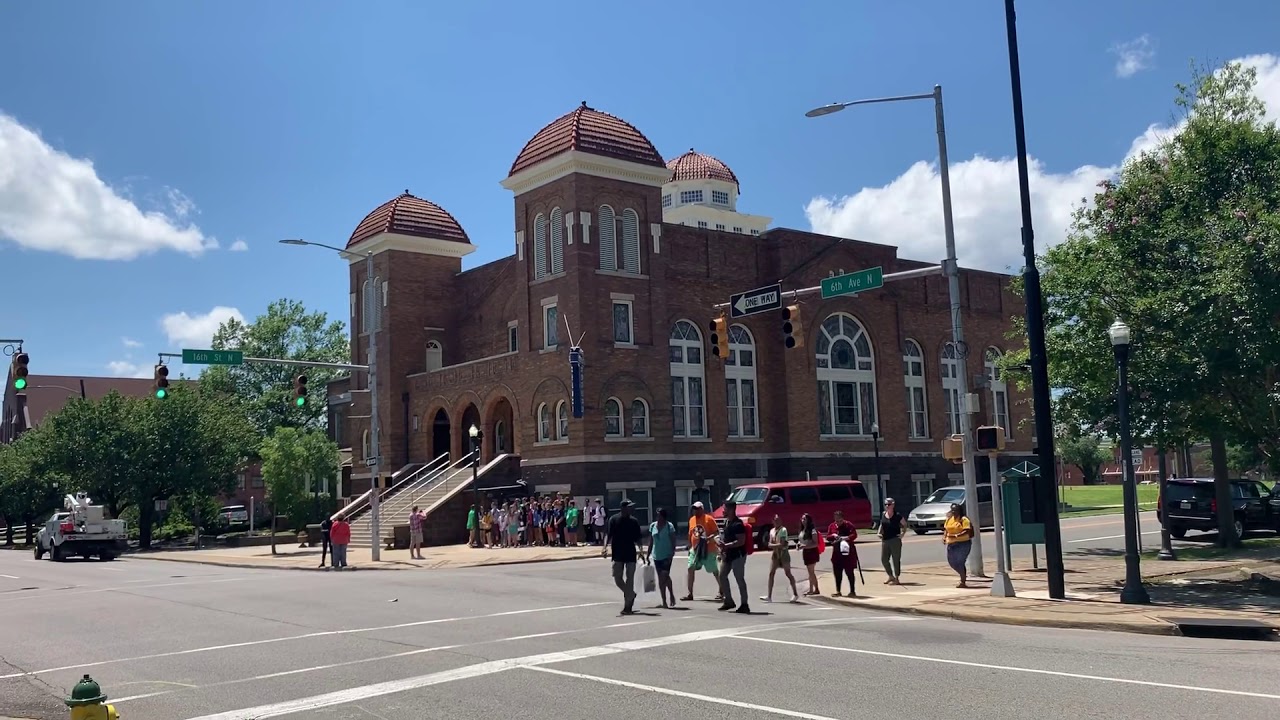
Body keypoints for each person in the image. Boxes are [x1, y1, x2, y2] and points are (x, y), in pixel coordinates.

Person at [602, 500, 647, 614]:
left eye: (631, 507)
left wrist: (641, 551)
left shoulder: (634, 521)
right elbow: (608, 534)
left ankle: (628, 607)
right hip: (617, 553)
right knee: (617, 579)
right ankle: (631, 594)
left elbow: (638, 538)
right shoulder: (613, 519)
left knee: (630, 579)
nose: (631, 509)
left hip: (630, 554)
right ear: (623, 508)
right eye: (629, 507)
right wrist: (604, 547)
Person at [682, 501, 721, 602]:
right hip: (695, 550)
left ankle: (722, 590)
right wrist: (690, 546)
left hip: (709, 549)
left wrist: (708, 538)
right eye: (694, 509)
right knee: (690, 567)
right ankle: (690, 593)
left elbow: (717, 532)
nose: (695, 511)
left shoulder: (709, 519)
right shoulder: (692, 520)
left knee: (714, 570)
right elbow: (690, 534)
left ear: (702, 509)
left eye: (698, 508)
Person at [716, 500, 750, 613]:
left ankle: (744, 604)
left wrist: (726, 546)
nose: (723, 511)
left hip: (738, 556)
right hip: (728, 555)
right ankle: (729, 601)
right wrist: (722, 547)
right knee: (722, 576)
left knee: (739, 578)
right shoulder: (727, 523)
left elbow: (741, 541)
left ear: (730, 510)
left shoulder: (737, 524)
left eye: (724, 509)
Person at [760, 513, 799, 603]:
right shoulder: (772, 531)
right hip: (775, 554)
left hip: (783, 553)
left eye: (778, 520)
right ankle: (769, 596)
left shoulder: (783, 530)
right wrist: (775, 545)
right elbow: (769, 544)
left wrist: (774, 545)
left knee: (788, 573)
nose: (777, 522)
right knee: (771, 573)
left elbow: (782, 544)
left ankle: (795, 593)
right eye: (775, 520)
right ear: (772, 521)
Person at [647, 508, 679, 608]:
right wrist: (648, 555)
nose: (658, 517)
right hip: (656, 556)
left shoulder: (669, 526)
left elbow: (673, 541)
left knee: (663, 577)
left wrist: (672, 553)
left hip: (667, 555)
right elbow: (651, 542)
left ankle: (669, 598)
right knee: (664, 577)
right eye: (657, 515)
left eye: (660, 515)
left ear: (664, 516)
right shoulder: (653, 526)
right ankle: (665, 599)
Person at [827, 510, 858, 597]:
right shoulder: (832, 526)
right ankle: (838, 591)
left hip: (848, 553)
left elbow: (854, 535)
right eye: (837, 521)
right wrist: (833, 536)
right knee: (837, 572)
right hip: (837, 553)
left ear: (843, 519)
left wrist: (845, 538)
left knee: (849, 572)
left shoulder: (848, 525)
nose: (838, 522)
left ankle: (852, 591)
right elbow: (828, 537)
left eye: (840, 520)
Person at [943, 502, 974, 588]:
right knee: (952, 562)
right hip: (951, 543)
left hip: (963, 543)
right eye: (952, 510)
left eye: (955, 510)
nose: (953, 512)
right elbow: (946, 529)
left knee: (960, 562)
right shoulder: (949, 519)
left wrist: (957, 535)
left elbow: (967, 530)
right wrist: (944, 537)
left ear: (959, 511)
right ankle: (962, 574)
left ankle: (963, 581)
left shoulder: (964, 519)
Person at [877, 498, 906, 585]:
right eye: (885, 504)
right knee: (884, 559)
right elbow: (882, 524)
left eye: (889, 504)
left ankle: (897, 577)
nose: (887, 506)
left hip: (895, 540)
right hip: (885, 540)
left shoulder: (897, 515)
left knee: (895, 559)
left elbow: (904, 524)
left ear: (893, 505)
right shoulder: (883, 514)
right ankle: (890, 576)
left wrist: (902, 534)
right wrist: (879, 533)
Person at [797, 513, 821, 596]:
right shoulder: (803, 530)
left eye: (805, 519)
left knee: (811, 572)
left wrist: (805, 546)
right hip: (805, 552)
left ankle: (816, 589)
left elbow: (816, 543)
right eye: (802, 519)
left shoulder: (812, 530)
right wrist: (799, 544)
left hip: (812, 552)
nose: (803, 520)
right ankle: (811, 589)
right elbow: (801, 540)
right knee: (810, 572)